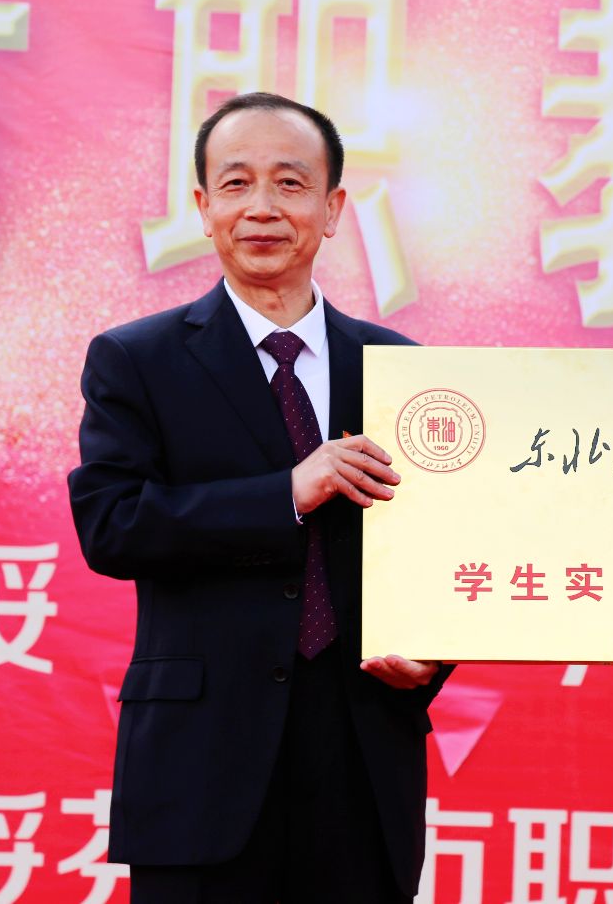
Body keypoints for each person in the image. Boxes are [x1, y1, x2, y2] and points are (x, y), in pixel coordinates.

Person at [68, 92, 448, 902]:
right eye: (236, 184)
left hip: (361, 750)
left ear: (333, 208)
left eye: (290, 182)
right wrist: (287, 492)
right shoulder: (137, 359)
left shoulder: (400, 367)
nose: (263, 208)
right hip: (201, 762)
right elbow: (112, 524)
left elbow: (439, 549)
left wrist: (433, 656)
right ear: (203, 207)